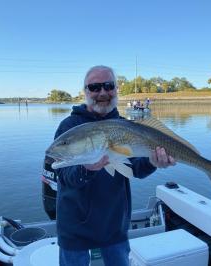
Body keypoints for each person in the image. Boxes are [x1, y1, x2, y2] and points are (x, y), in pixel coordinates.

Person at [53, 65, 175, 266]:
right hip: (74, 225)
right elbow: (63, 175)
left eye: (108, 86)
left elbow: (136, 169)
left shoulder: (127, 127)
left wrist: (153, 162)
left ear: (116, 89)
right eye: (94, 87)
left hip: (114, 223)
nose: (102, 92)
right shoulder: (69, 127)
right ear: (85, 91)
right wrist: (86, 168)